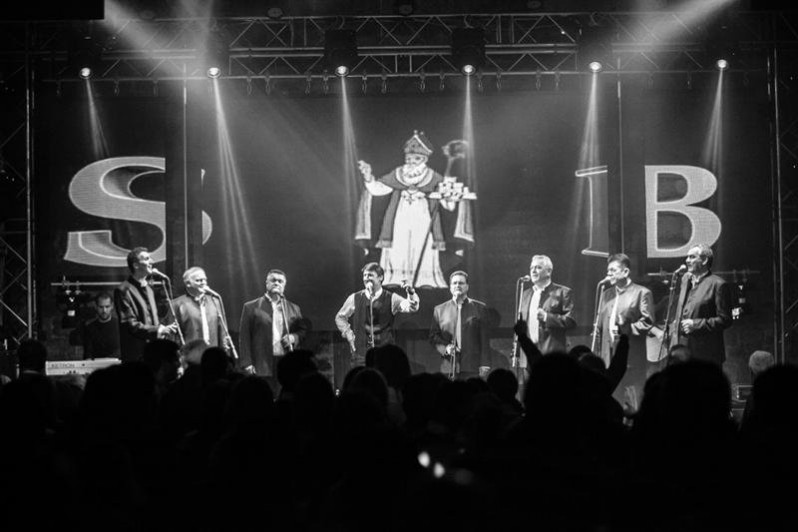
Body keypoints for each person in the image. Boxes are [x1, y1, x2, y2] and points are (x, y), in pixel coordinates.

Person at [355, 131, 473, 288]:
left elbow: (447, 202)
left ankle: (425, 280)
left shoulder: (433, 176)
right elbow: (378, 189)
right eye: (409, 158)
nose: (411, 161)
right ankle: (394, 278)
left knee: (421, 243)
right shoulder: (398, 174)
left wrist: (448, 195)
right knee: (399, 243)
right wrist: (368, 176)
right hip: (400, 215)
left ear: (424, 159)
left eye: (416, 158)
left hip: (422, 215)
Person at [594, 253, 654, 400]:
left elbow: (647, 322)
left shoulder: (642, 293)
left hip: (630, 357)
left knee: (634, 400)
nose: (609, 274)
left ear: (625, 272)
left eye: (613, 270)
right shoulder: (606, 294)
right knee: (613, 399)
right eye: (608, 270)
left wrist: (627, 329)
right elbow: (600, 325)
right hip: (608, 358)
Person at [335, 262, 419, 366]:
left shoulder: (391, 298)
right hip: (361, 356)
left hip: (386, 355)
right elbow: (340, 317)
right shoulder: (355, 298)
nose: (366, 278)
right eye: (365, 275)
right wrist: (349, 335)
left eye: (370, 275)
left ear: (380, 277)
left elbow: (411, 307)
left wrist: (411, 293)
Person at [239, 269, 306, 385]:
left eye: (280, 281)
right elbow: (244, 337)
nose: (276, 283)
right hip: (261, 364)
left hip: (285, 363)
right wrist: (247, 363)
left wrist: (293, 337)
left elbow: (302, 331)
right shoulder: (250, 307)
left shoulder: (294, 308)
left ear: (284, 285)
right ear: (267, 283)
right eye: (273, 280)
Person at [669, 244, 733, 365]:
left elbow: (725, 319)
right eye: (687, 257)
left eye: (692, 257)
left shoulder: (718, 284)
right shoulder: (686, 280)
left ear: (704, 260)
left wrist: (696, 324)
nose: (687, 260)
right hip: (684, 351)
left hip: (707, 354)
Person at [114, 247, 176, 363]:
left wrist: (164, 328)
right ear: (136, 265)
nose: (152, 261)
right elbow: (131, 324)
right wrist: (158, 330)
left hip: (154, 353)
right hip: (136, 356)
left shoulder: (149, 288)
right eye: (147, 259)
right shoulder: (123, 290)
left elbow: (153, 319)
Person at [429, 271, 490, 380]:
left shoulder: (480, 308)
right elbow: (433, 337)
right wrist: (446, 348)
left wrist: (484, 363)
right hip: (448, 366)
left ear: (467, 286)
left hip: (472, 366)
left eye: (461, 283)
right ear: (450, 287)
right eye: (454, 283)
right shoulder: (439, 310)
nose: (457, 285)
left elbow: (484, 339)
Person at [518, 255, 576, 358]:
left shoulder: (563, 292)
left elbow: (570, 321)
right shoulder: (525, 294)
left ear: (549, 271)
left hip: (551, 354)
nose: (533, 271)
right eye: (531, 268)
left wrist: (546, 317)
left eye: (538, 267)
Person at [172, 267, 230, 350]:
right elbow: (173, 334)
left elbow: (222, 331)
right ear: (188, 284)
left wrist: (224, 351)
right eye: (198, 280)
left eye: (205, 280)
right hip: (190, 353)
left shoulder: (215, 301)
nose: (203, 283)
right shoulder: (177, 304)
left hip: (212, 352)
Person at [81, 291, 121, 359]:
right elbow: (87, 353)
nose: (104, 310)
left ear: (112, 306)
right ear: (96, 307)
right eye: (101, 307)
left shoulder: (120, 325)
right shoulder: (89, 328)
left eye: (107, 306)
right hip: (96, 364)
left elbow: (123, 350)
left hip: (117, 363)